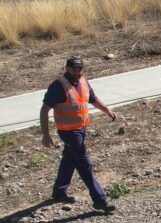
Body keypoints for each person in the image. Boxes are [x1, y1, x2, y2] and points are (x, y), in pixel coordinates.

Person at [40, 56, 118, 212]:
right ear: (67, 68)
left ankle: (59, 192)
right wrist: (45, 134)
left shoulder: (83, 81)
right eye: (73, 69)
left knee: (69, 159)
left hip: (81, 128)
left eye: (79, 69)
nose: (76, 72)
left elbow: (93, 99)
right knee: (84, 164)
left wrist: (107, 110)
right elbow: (44, 110)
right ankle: (100, 200)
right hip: (68, 132)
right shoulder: (58, 86)